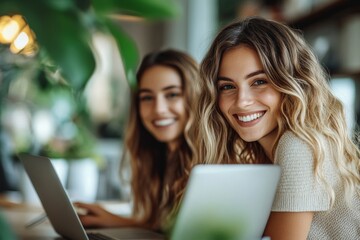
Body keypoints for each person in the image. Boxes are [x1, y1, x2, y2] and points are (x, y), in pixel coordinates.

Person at [193, 16, 360, 239]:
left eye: (259, 81)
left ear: (292, 82)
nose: (242, 101)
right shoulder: (270, 153)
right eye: (227, 86)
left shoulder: (298, 146)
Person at [76, 49, 200, 233]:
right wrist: (114, 220)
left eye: (172, 94)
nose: (158, 109)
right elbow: (166, 227)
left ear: (196, 96)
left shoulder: (214, 160)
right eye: (147, 98)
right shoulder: (160, 156)